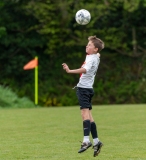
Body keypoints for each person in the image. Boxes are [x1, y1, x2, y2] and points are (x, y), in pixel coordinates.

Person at [62, 35, 104, 157]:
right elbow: (99, 54)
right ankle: (96, 141)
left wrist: (69, 71)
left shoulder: (91, 58)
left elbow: (84, 70)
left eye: (89, 45)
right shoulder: (96, 56)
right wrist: (97, 50)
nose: (87, 46)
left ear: (95, 49)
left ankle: (86, 141)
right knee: (89, 116)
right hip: (89, 89)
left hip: (84, 89)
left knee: (84, 114)